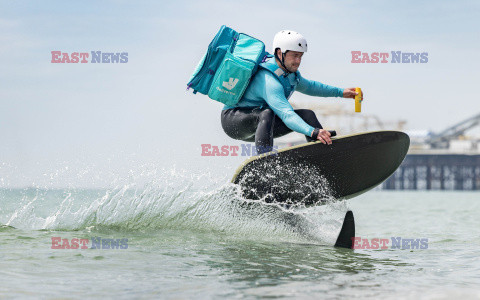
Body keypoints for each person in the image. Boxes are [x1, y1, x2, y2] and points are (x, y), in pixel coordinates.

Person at [221, 30, 363, 154]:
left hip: (263, 125)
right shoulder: (268, 80)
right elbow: (286, 114)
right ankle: (264, 165)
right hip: (234, 122)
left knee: (308, 115)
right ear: (279, 53)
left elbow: (311, 87)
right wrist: (312, 132)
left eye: (300, 56)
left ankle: (324, 155)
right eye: (294, 55)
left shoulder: (290, 75)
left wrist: (341, 92)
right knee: (267, 113)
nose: (298, 60)